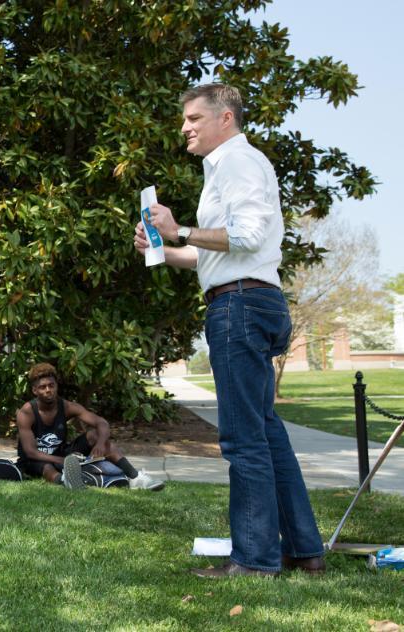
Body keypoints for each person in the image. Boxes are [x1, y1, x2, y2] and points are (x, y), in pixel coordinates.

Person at [135, 83, 324, 578]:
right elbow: (216, 251)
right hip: (248, 298)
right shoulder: (225, 169)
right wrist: (162, 249)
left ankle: (255, 560)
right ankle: (303, 549)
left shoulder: (237, 162)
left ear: (226, 119)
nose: (185, 127)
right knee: (266, 433)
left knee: (243, 439)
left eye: (195, 118)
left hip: (239, 306)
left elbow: (247, 236)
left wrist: (179, 229)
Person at [15, 363, 164, 491]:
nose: (48, 390)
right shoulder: (27, 412)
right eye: (42, 387)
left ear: (56, 386)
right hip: (33, 461)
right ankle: (64, 481)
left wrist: (99, 444)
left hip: (61, 455)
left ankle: (135, 477)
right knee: (46, 467)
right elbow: (31, 452)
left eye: (51, 385)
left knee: (95, 435)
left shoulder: (67, 406)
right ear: (35, 391)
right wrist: (61, 461)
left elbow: (101, 423)